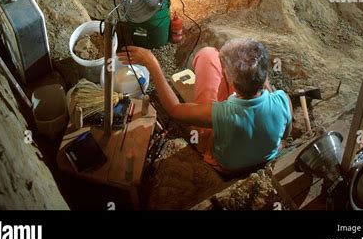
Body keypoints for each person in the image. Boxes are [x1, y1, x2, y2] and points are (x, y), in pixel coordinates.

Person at [117, 39, 292, 173]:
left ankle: (206, 149)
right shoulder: (283, 100)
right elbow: (285, 133)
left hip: (225, 166)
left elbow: (174, 110)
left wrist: (152, 63)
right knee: (211, 54)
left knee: (207, 54)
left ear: (231, 81)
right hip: (265, 156)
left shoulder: (222, 114)